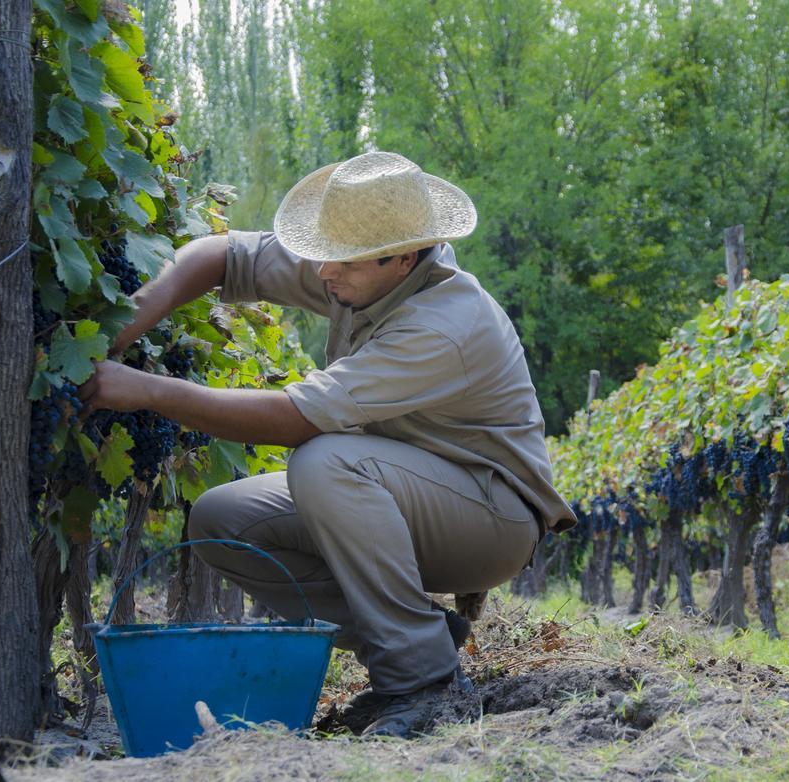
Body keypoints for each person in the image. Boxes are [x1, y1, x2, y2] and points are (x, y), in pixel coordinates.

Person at [79, 151, 576, 737]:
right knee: (220, 520)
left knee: (323, 459)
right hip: (409, 493)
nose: (321, 275)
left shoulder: (443, 323)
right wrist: (128, 322)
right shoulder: (359, 265)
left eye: (339, 264)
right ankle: (422, 639)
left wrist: (148, 390)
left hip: (491, 520)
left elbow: (296, 419)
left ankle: (423, 682)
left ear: (404, 259)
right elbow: (224, 255)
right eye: (320, 257)